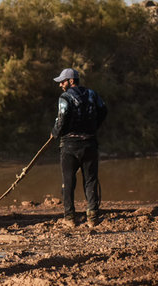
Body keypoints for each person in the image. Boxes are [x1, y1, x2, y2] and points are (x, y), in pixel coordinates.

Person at [51, 68, 107, 228]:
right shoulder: (92, 94)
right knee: (90, 180)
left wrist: (55, 133)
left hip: (69, 145)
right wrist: (94, 127)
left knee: (68, 181)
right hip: (90, 143)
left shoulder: (65, 97)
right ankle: (93, 217)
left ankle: (69, 218)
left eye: (62, 81)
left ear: (70, 81)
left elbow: (61, 120)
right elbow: (103, 110)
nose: (61, 84)